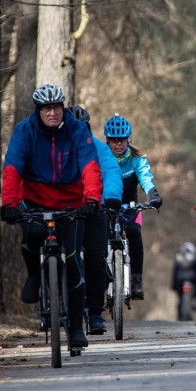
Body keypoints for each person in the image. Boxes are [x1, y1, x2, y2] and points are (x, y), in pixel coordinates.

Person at [0, 84, 102, 349]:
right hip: (34, 200)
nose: (52, 113)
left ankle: (77, 329)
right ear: (38, 111)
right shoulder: (25, 131)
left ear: (63, 108)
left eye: (56, 107)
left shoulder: (77, 130)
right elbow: (12, 168)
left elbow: (90, 166)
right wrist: (9, 203)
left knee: (73, 261)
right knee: (33, 235)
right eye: (46, 108)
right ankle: (34, 275)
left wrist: (92, 199)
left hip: (71, 203)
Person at [66, 106, 124, 335]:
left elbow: (111, 172)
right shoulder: (59, 148)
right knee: (66, 256)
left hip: (94, 209)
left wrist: (110, 197)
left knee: (95, 258)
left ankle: (95, 313)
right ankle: (61, 306)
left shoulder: (99, 148)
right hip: (67, 210)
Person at [104, 113, 163, 300]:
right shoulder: (102, 158)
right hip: (105, 207)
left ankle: (136, 280)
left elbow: (145, 177)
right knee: (98, 239)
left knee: (134, 233)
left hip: (130, 206)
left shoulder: (137, 159)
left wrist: (153, 194)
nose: (119, 144)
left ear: (129, 139)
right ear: (107, 140)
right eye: (114, 141)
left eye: (122, 140)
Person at [171, 242, 196, 321]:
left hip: (185, 281)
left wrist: (173, 286)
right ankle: (193, 301)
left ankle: (193, 301)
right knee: (179, 299)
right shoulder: (183, 259)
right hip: (183, 282)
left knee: (180, 299)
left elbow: (175, 274)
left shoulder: (179, 258)